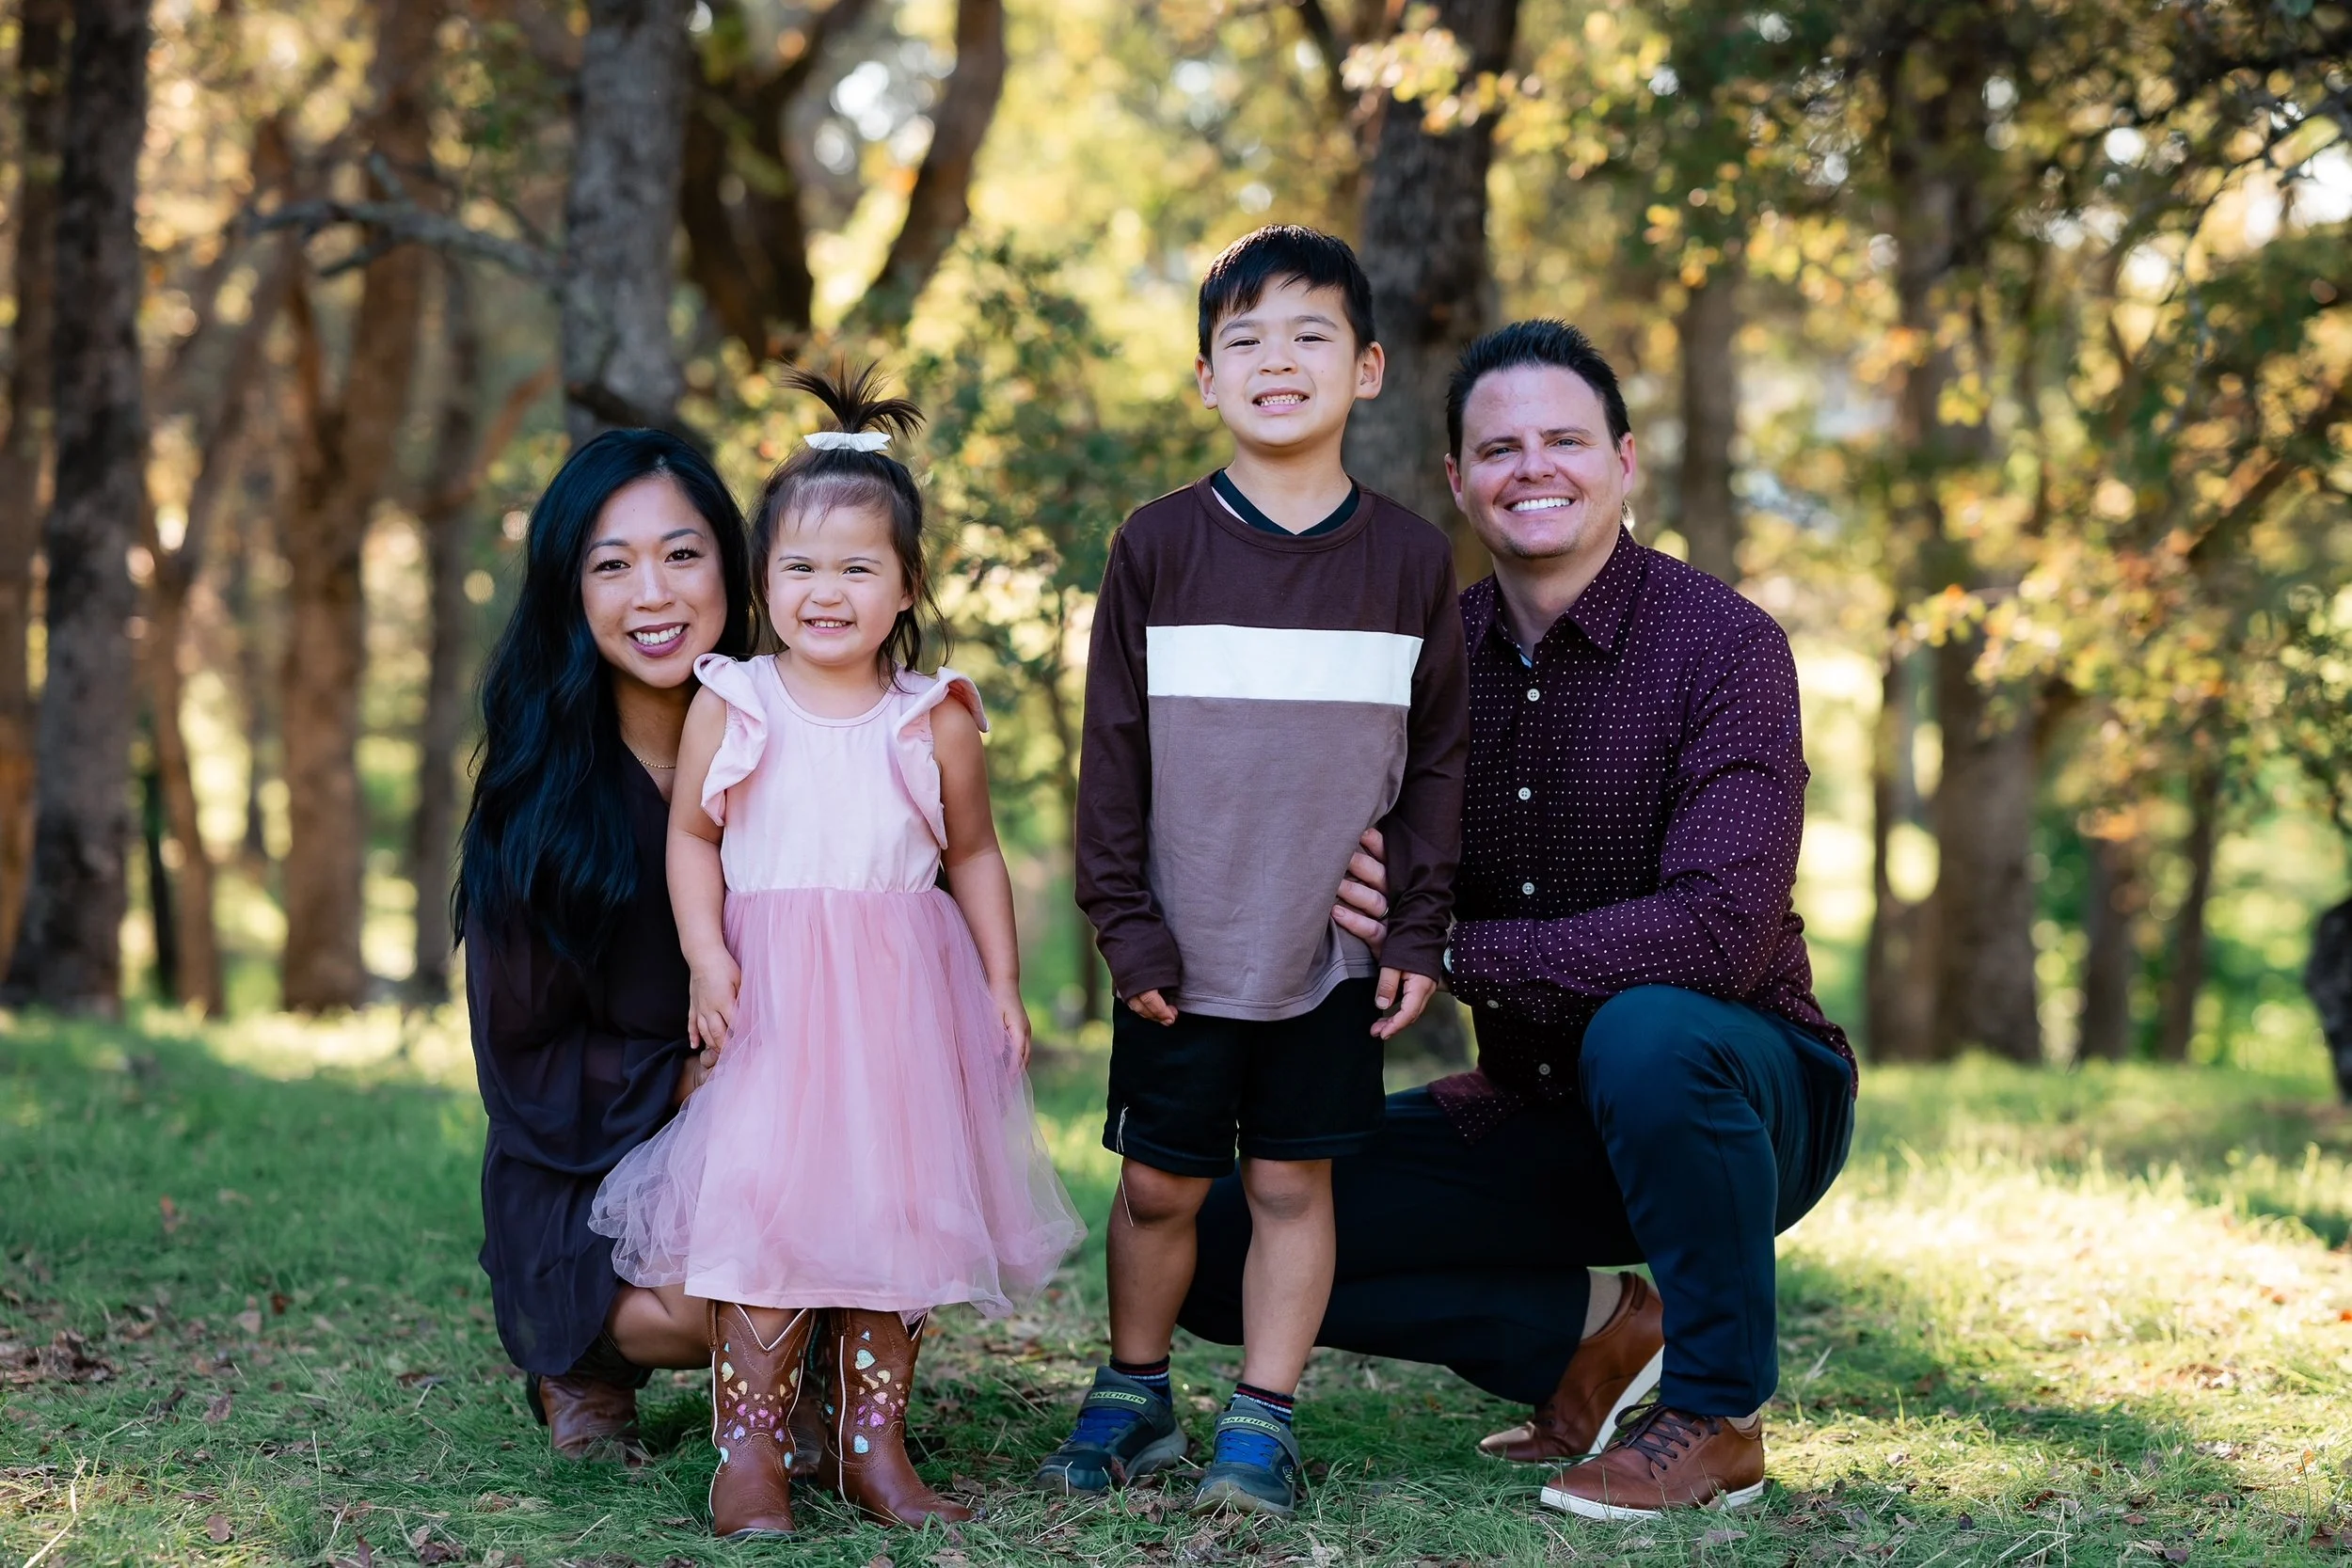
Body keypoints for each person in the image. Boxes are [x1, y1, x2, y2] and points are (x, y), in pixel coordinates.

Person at [1178, 319, 1858, 1520]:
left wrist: (1454, 950)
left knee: (1649, 1028)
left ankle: (1714, 1411)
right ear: (1456, 479)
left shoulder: (1726, 645)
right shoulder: (1429, 661)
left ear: (1624, 460)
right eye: (1498, 447)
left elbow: (1719, 934)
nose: (1530, 467)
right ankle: (1591, 1332)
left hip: (1745, 1095)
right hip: (1533, 1108)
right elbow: (1358, 875)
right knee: (1223, 1241)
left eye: (1563, 439)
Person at [589, 365, 1084, 1539]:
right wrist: (707, 957)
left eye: (859, 567)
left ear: (907, 585)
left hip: (903, 1010)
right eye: (800, 566)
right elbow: (693, 836)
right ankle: (750, 1450)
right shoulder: (738, 698)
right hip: (774, 1006)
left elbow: (973, 856)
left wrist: (1003, 986)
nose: (827, 591)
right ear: (763, 580)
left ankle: (874, 1446)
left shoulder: (933, 715)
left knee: (897, 1214)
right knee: (760, 1210)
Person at [1039, 225, 1469, 1518]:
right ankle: (1134, 1386)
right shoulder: (1158, 546)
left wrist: (1414, 927)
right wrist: (1122, 920)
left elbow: (1437, 758)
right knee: (1162, 1179)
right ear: (1206, 379)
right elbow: (1110, 751)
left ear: (1371, 367)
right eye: (1246, 340)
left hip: (1326, 951)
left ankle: (1265, 1415)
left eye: (1312, 334)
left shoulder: (1409, 561)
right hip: (1183, 940)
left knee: (1292, 1179)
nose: (1278, 360)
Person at [457, 428, 758, 1465]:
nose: (652, 593)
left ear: (732, 563)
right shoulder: (539, 799)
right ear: (570, 590)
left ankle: (797, 1364)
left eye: (682, 554)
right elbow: (522, 1055)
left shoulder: (795, 741)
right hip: (587, 1156)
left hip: (774, 1129)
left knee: (873, 1259)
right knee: (719, 1301)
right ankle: (579, 1364)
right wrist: (677, 1077)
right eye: (611, 563)